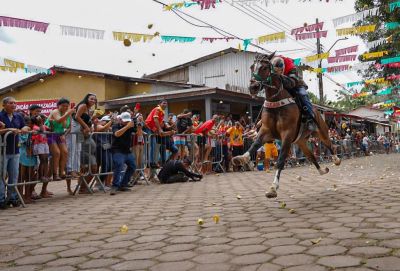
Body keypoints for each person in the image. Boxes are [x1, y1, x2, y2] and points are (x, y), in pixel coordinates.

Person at [271, 55, 316, 131]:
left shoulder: (292, 69)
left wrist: (281, 76)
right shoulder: (272, 68)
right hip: (283, 87)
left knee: (302, 95)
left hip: (296, 85)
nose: (277, 72)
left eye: (279, 70)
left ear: (283, 67)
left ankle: (311, 118)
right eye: (275, 71)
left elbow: (292, 83)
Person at [0, 97, 27, 209]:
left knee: (14, 175)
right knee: (1, 176)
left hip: (15, 149)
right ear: (4, 105)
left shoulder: (18, 116)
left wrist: (24, 128)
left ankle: (12, 197)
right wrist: (8, 130)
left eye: (15, 103)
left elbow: (24, 125)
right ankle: (1, 199)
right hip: (2, 151)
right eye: (11, 103)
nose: (14, 105)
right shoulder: (0, 116)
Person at [46, 98, 74, 184]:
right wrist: (68, 113)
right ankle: (55, 174)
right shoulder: (55, 111)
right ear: (58, 106)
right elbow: (59, 120)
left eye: (67, 106)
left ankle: (61, 172)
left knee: (65, 152)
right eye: (63, 106)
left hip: (59, 134)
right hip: (50, 134)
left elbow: (68, 127)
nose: (65, 107)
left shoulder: (67, 114)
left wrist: (64, 135)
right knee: (57, 153)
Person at [110, 112, 137, 195]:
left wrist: (138, 125)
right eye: (124, 121)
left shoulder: (130, 126)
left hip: (127, 151)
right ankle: (115, 186)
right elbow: (117, 134)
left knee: (133, 166)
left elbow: (138, 133)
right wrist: (127, 126)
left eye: (127, 121)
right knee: (119, 165)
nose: (126, 122)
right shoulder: (115, 126)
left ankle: (123, 184)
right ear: (120, 119)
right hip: (117, 150)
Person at [145, 99, 168, 168]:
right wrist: (160, 129)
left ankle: (152, 162)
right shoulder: (157, 109)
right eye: (164, 103)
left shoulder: (162, 112)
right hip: (148, 127)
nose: (165, 104)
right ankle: (150, 162)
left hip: (152, 129)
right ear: (160, 103)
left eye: (166, 103)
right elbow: (155, 120)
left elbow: (159, 123)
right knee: (152, 145)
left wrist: (157, 130)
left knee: (154, 145)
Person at [94, 115, 114, 189]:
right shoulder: (98, 126)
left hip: (107, 148)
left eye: (108, 122)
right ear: (102, 121)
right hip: (100, 149)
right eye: (106, 121)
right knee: (105, 166)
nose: (108, 123)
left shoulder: (108, 128)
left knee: (110, 166)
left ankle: (104, 183)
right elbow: (102, 128)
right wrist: (111, 121)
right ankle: (99, 183)